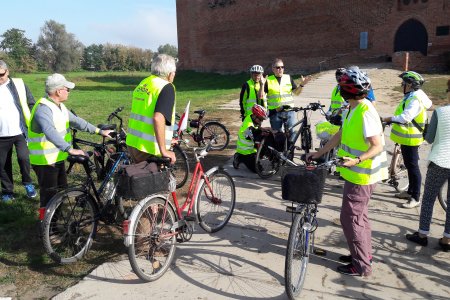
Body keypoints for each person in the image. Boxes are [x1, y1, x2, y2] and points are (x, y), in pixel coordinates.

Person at [308, 69, 388, 277]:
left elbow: (377, 146)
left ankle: (361, 265)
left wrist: (356, 160)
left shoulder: (365, 111)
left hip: (363, 175)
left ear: (346, 91)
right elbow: (341, 134)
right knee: (359, 218)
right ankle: (362, 255)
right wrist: (320, 152)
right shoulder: (352, 108)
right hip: (355, 173)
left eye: (341, 87)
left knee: (350, 218)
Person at [29, 73, 113, 208]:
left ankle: (55, 223)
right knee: (48, 197)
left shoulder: (59, 106)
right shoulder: (43, 109)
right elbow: (49, 131)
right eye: (67, 89)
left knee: (61, 192)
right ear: (58, 91)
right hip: (45, 162)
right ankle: (45, 225)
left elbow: (77, 121)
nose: (69, 91)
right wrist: (70, 149)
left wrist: (99, 131)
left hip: (57, 158)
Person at [405, 79, 450, 252]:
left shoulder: (441, 112)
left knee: (429, 198)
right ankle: (447, 239)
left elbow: (429, 138)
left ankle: (423, 234)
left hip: (441, 160)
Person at [382, 71, 432, 208]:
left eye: (403, 83)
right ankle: (409, 192)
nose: (401, 85)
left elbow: (405, 117)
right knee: (410, 166)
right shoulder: (412, 96)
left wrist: (388, 119)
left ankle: (415, 197)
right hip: (407, 137)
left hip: (412, 138)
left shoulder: (415, 99)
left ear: (410, 85)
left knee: (413, 167)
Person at [126, 54, 177, 164]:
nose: (174, 75)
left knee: (137, 178)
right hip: (149, 149)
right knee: (153, 180)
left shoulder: (144, 83)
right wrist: (164, 150)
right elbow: (158, 118)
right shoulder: (166, 87)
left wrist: (167, 140)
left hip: (133, 143)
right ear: (169, 74)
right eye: (174, 73)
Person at [0, 60, 37, 202]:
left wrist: (35, 122)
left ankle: (28, 184)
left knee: (23, 159)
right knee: (2, 164)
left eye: (1, 74)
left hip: (20, 132)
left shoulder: (19, 85)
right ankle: (7, 191)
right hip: (1, 135)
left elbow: (31, 102)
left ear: (7, 71)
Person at [263, 58, 311, 134]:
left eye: (282, 67)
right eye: (278, 67)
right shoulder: (268, 80)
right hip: (275, 112)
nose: (280, 69)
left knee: (292, 133)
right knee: (277, 135)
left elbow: (296, 93)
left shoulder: (288, 78)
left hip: (289, 111)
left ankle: (290, 146)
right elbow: (262, 95)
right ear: (273, 69)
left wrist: (302, 84)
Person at [233, 104, 269, 172]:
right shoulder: (248, 126)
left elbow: (256, 129)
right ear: (255, 116)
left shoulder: (251, 117)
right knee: (258, 170)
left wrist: (263, 129)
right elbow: (255, 137)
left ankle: (240, 156)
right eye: (260, 119)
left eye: (262, 120)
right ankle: (239, 157)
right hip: (246, 152)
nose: (261, 121)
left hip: (251, 148)